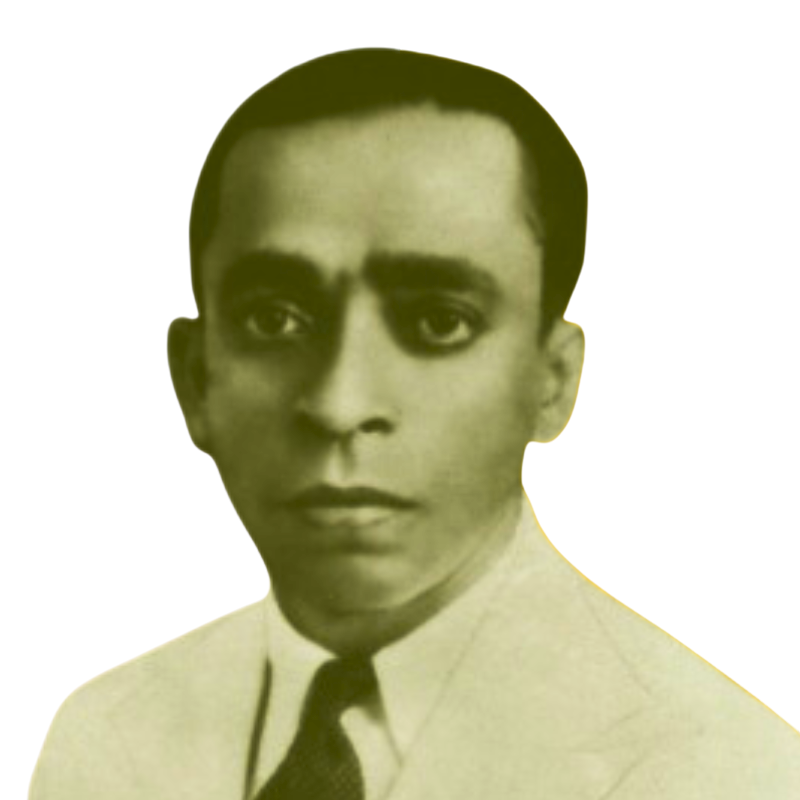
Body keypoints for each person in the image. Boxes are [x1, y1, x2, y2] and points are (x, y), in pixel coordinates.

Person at [30, 47, 800, 800]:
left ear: (552, 382)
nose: (339, 404)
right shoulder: (105, 741)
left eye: (438, 321)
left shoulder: (718, 774)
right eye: (275, 319)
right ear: (197, 380)